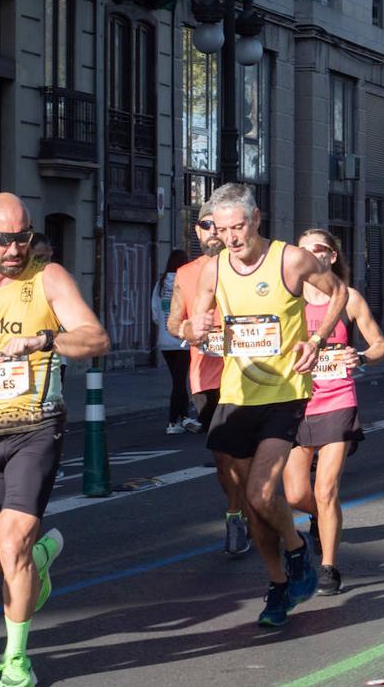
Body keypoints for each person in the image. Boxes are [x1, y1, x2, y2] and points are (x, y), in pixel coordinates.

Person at [185, 183, 347, 628]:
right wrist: (194, 326)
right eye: (223, 230)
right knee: (254, 506)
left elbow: (338, 293)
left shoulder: (290, 259)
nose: (233, 238)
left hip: (286, 393)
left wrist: (316, 340)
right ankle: (279, 585)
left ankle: (296, 552)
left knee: (261, 492)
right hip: (237, 396)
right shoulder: (215, 269)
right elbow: (192, 320)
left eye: (239, 227)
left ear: (256, 219)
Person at [0, 193, 110, 684]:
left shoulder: (47, 278)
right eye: (3, 239)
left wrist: (44, 340)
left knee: (11, 541)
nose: (15, 249)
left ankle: (15, 662)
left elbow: (96, 338)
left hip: (33, 430)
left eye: (24, 237)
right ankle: (38, 560)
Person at [283, 229, 384, 597]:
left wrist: (359, 356)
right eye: (304, 249)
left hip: (338, 399)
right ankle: (318, 519)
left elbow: (379, 344)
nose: (312, 255)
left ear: (331, 256)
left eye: (320, 249)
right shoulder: (286, 297)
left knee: (326, 489)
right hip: (295, 402)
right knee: (296, 494)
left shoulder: (349, 298)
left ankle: (328, 566)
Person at [166, 202, 250, 555]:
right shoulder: (185, 273)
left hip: (247, 371)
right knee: (222, 456)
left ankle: (242, 512)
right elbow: (173, 322)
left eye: (220, 225)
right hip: (205, 375)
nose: (213, 231)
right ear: (197, 231)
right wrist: (186, 327)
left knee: (243, 453)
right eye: (205, 225)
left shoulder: (247, 267)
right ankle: (239, 510)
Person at [152, 249, 196, 435]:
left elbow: (154, 310)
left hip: (164, 338)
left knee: (177, 379)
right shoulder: (184, 280)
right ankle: (172, 422)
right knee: (179, 382)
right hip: (182, 339)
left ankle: (184, 416)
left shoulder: (161, 283)